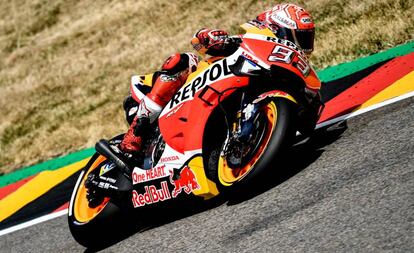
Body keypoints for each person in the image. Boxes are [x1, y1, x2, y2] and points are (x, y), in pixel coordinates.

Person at [120, 3, 319, 156]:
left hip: (209, 115)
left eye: (307, 38)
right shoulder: (243, 43)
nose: (304, 45)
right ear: (277, 29)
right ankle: (137, 129)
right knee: (184, 60)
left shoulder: (289, 73)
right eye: (301, 37)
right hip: (183, 95)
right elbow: (198, 40)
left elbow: (308, 125)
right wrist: (213, 37)